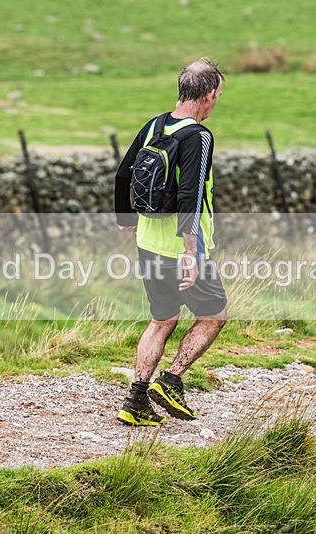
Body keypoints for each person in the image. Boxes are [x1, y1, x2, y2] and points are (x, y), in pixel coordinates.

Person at [114, 58, 228, 426]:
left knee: (161, 319)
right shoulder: (199, 135)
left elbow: (123, 173)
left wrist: (126, 219)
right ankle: (172, 379)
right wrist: (192, 254)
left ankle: (135, 401)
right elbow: (191, 197)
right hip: (183, 250)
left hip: (148, 242)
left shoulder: (155, 125)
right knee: (214, 315)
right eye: (218, 94)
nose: (217, 101)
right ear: (209, 95)